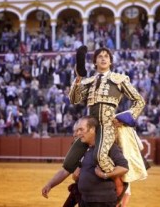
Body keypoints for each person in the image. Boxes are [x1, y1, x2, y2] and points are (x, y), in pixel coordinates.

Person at [64, 47, 145, 185]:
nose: (103, 58)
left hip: (108, 125)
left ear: (110, 61)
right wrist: (78, 78)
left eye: (106, 56)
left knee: (101, 156)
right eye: (100, 56)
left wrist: (126, 118)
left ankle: (119, 186)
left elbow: (140, 101)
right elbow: (74, 99)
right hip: (91, 128)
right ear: (95, 61)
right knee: (69, 160)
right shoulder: (88, 81)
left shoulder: (119, 79)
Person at [41, 116, 129, 207]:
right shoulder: (83, 149)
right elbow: (65, 170)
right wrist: (50, 185)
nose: (78, 133)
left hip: (103, 201)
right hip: (85, 200)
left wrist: (105, 175)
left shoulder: (109, 147)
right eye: (77, 130)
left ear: (92, 129)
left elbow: (124, 167)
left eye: (81, 130)